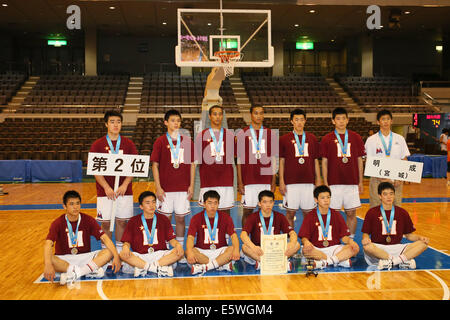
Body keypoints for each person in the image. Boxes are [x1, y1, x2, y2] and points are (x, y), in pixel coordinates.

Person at [43, 190, 121, 286]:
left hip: (85, 258)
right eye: (71, 204)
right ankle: (88, 271)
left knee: (109, 252)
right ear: (64, 206)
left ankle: (75, 273)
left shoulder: (88, 219)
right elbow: (48, 244)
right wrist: (47, 264)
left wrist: (116, 256)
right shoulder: (58, 223)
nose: (75, 207)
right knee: (49, 258)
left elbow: (105, 238)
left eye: (77, 203)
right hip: (65, 260)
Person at [89, 110, 138, 253]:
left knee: (122, 222)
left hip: (124, 191)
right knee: (105, 223)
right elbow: (95, 170)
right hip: (105, 192)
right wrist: (106, 187)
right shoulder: (98, 145)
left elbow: (133, 168)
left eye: (118, 121)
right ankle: (107, 253)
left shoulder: (128, 144)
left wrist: (124, 185)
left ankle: (120, 252)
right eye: (112, 122)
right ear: (106, 124)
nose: (116, 125)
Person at [151, 109, 195, 261]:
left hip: (183, 188)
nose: (176, 123)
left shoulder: (187, 141)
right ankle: (165, 249)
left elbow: (192, 165)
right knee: (165, 219)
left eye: (178, 120)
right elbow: (155, 165)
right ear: (166, 122)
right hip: (166, 189)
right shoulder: (160, 141)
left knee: (181, 219)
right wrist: (158, 186)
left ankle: (180, 250)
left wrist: (191, 185)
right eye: (172, 120)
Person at [320, 107, 365, 238]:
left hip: (351, 183)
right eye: (338, 119)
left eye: (343, 118)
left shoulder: (355, 137)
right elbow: (324, 162)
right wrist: (326, 182)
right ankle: (333, 240)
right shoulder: (327, 138)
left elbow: (359, 161)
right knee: (332, 214)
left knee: (351, 213)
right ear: (333, 121)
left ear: (348, 120)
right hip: (334, 183)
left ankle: (350, 241)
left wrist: (360, 182)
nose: (341, 121)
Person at [361, 182, 429, 270]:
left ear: (394, 195)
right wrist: (365, 239)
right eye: (385, 194)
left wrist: (420, 238)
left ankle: (392, 262)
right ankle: (401, 261)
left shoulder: (402, 212)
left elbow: (409, 235)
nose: (389, 197)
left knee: (423, 244)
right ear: (380, 196)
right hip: (378, 248)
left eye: (391, 194)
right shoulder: (372, 212)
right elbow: (365, 233)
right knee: (367, 247)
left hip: (397, 248)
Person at [119, 191, 184, 277]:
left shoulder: (163, 219)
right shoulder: (133, 221)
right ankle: (156, 268)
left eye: (153, 202)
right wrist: (125, 247)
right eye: (147, 203)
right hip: (140, 256)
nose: (151, 205)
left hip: (160, 255)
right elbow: (126, 242)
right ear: (141, 206)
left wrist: (178, 245)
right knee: (122, 254)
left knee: (179, 251)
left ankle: (145, 268)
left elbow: (171, 240)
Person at [298, 185, 359, 270]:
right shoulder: (310, 216)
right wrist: (307, 243)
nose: (326, 200)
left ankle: (325, 262)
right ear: (316, 200)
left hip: (334, 248)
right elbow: (304, 238)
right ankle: (339, 260)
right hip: (317, 249)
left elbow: (344, 237)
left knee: (354, 248)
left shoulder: (336, 214)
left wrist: (350, 241)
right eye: (323, 198)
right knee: (305, 250)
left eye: (328, 197)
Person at [279, 108, 321, 228]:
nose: (299, 122)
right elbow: (282, 161)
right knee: (290, 213)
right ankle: (290, 237)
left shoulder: (312, 138)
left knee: (308, 214)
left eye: (301, 120)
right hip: (290, 182)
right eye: (296, 120)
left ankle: (307, 238)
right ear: (291, 121)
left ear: (305, 121)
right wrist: (281, 181)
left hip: (309, 182)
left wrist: (318, 179)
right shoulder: (284, 139)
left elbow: (315, 160)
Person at [236, 106, 276, 228]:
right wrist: (240, 181)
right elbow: (239, 160)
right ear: (251, 115)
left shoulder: (270, 133)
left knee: (265, 211)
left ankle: (263, 237)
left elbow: (273, 159)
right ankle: (246, 238)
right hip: (249, 180)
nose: (259, 116)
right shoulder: (242, 134)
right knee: (247, 212)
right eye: (256, 113)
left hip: (265, 179)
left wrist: (274, 180)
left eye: (261, 113)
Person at [240, 190, 300, 271]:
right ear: (259, 204)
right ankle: (275, 262)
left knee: (297, 245)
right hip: (259, 249)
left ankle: (264, 263)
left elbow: (292, 233)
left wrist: (291, 243)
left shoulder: (279, 216)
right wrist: (253, 247)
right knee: (244, 247)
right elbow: (243, 234)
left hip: (276, 249)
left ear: (273, 203)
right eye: (265, 202)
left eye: (270, 202)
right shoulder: (253, 217)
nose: (268, 205)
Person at [185, 190, 240, 275]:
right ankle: (220, 265)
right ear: (204, 204)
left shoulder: (226, 217)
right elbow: (190, 238)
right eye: (210, 203)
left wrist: (236, 250)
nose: (213, 206)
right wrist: (189, 252)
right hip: (202, 251)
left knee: (232, 249)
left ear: (218, 204)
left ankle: (205, 267)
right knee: (189, 251)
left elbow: (233, 236)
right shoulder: (196, 218)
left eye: (215, 203)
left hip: (220, 251)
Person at [365, 109, 410, 208]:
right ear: (378, 122)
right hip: (377, 180)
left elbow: (404, 159)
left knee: (396, 209)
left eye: (388, 119)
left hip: (396, 181)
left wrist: (401, 178)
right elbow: (369, 163)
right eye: (383, 119)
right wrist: (382, 178)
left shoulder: (400, 139)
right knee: (376, 209)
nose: (386, 121)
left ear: (391, 121)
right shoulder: (371, 140)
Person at [196, 105, 236, 214]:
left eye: (220, 114)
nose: (217, 117)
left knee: (225, 212)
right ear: (209, 116)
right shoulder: (202, 135)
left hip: (226, 180)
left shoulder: (230, 136)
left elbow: (236, 157)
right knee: (208, 212)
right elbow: (197, 160)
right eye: (214, 114)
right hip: (208, 181)